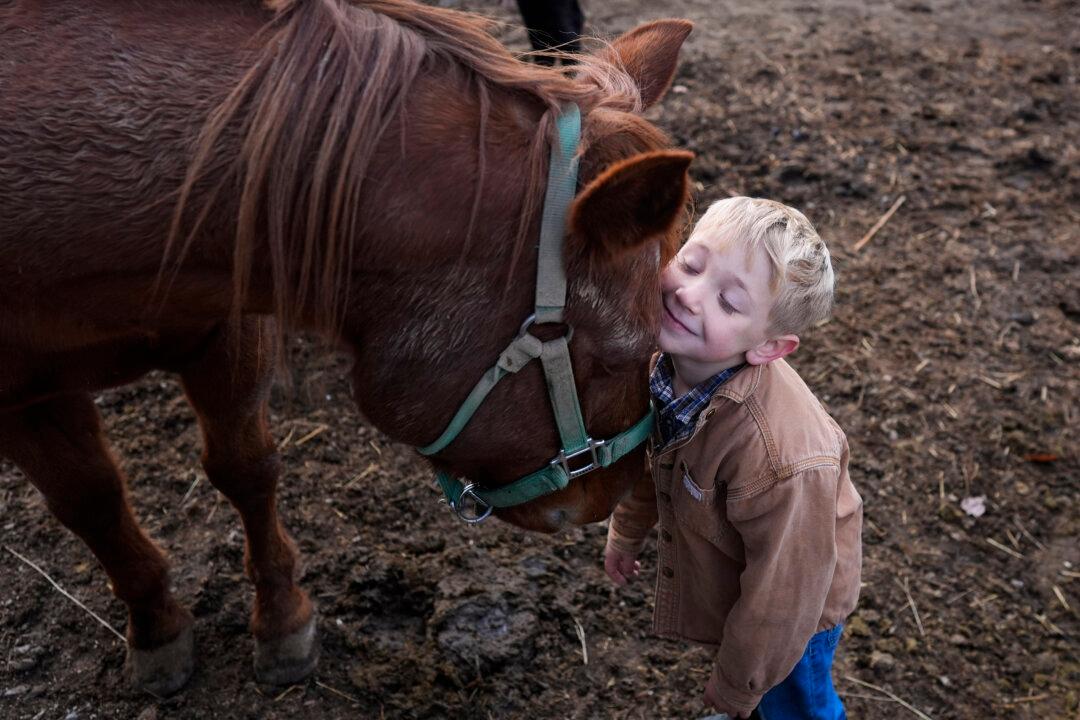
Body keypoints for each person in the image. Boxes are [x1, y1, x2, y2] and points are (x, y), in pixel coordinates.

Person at [604, 197, 863, 719]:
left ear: (768, 348)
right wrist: (626, 530)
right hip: (747, 582)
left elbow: (784, 595)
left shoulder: (783, 460)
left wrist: (739, 686)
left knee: (795, 705)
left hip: (795, 612)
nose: (690, 295)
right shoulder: (662, 363)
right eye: (692, 264)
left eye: (728, 302)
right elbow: (651, 459)